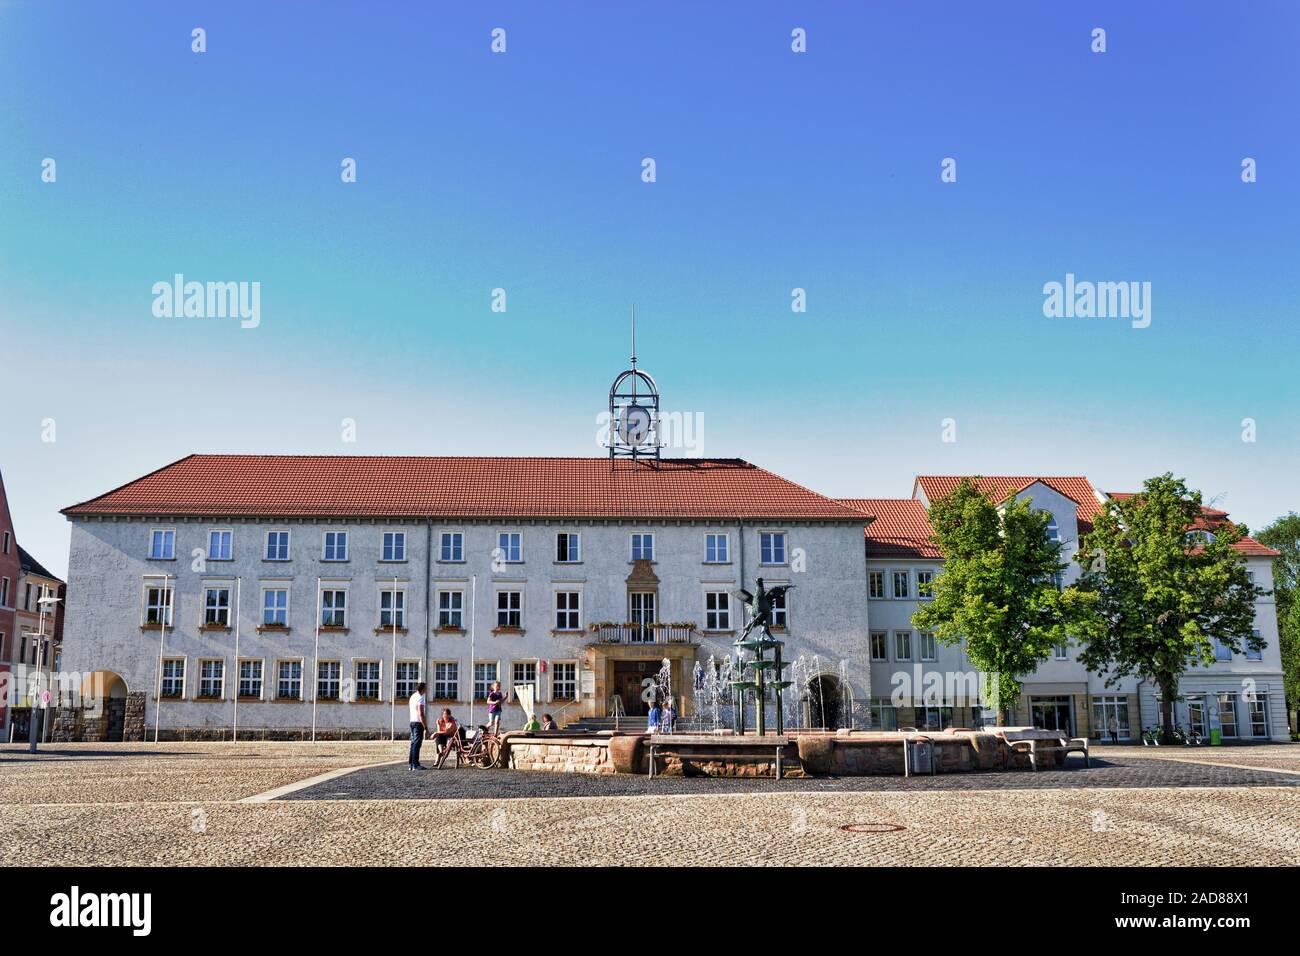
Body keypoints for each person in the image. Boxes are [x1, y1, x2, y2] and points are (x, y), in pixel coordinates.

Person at [408, 681, 429, 770]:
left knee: (413, 743)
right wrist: (425, 727)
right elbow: (421, 714)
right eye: (426, 688)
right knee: (417, 743)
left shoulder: (413, 696)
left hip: (412, 722)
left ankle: (411, 764)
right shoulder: (420, 698)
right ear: (423, 689)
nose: (426, 690)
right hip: (418, 723)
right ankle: (415, 764)